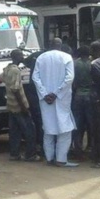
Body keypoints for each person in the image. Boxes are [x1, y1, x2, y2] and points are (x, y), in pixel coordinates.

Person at [31, 37, 77, 167]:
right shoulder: (66, 57)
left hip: (45, 99)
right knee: (65, 129)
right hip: (61, 99)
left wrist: (45, 94)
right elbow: (69, 78)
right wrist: (56, 93)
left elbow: (35, 77)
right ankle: (61, 160)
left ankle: (50, 158)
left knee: (48, 128)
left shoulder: (41, 58)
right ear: (60, 45)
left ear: (49, 45)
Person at [2, 49, 40, 161]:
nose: (23, 57)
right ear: (16, 57)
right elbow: (16, 89)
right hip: (18, 106)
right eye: (21, 55)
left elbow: (3, 79)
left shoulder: (7, 68)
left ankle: (14, 154)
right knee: (30, 130)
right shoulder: (16, 71)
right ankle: (30, 155)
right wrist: (24, 107)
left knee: (14, 131)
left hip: (11, 105)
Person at [71, 45, 93, 159]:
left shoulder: (75, 64)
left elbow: (72, 81)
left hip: (78, 95)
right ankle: (92, 149)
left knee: (77, 124)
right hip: (90, 95)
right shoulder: (92, 64)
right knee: (91, 124)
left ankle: (77, 150)